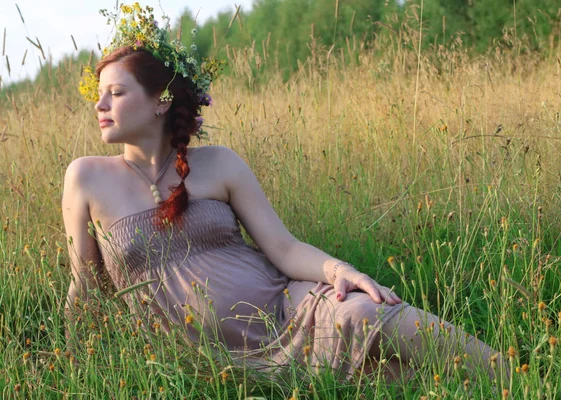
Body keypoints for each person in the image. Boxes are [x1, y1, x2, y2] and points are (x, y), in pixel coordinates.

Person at [63, 3, 504, 381]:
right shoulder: (87, 178)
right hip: (199, 357)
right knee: (391, 378)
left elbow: (283, 248)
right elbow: (84, 287)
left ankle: (516, 375)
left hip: (283, 308)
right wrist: (67, 368)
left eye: (115, 93)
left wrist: (338, 271)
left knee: (362, 310)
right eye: (98, 95)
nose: (100, 105)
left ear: (161, 100)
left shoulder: (219, 163)